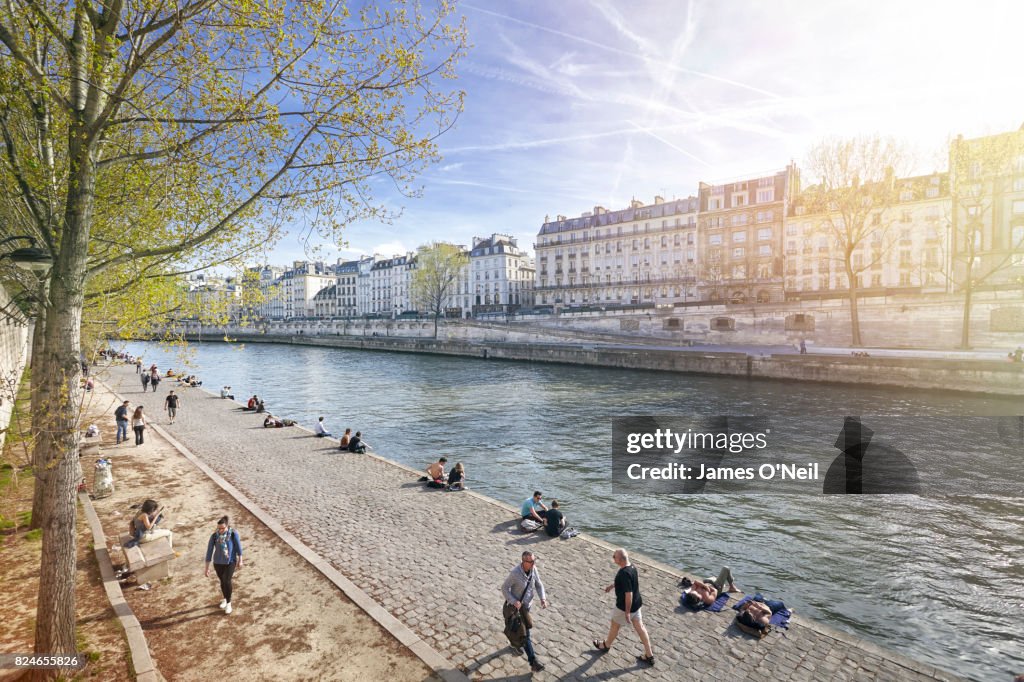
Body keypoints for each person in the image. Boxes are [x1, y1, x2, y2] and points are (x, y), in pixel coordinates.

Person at [593, 548, 654, 666]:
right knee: (640, 628)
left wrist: (626, 612)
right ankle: (649, 655)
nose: (613, 558)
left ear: (620, 560)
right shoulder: (632, 567)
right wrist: (612, 586)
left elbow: (628, 593)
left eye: (614, 556)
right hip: (637, 605)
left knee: (615, 626)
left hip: (625, 607)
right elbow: (626, 583)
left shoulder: (623, 573)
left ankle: (605, 645)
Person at [501, 551, 548, 673]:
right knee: (525, 634)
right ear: (523, 562)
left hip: (527, 607)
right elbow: (504, 588)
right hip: (516, 608)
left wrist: (543, 598)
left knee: (517, 629)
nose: (534, 563)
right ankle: (533, 662)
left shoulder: (533, 569)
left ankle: (514, 644)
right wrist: (513, 600)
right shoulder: (515, 573)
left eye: (534, 560)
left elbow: (539, 584)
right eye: (531, 561)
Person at [204, 515, 243, 615]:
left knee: (227, 580)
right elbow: (209, 551)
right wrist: (207, 568)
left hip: (230, 561)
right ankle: (225, 599)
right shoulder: (214, 536)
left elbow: (238, 547)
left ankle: (229, 603)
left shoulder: (233, 534)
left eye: (222, 528)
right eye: (219, 528)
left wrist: (240, 560)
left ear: (227, 526)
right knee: (222, 581)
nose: (220, 530)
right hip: (218, 562)